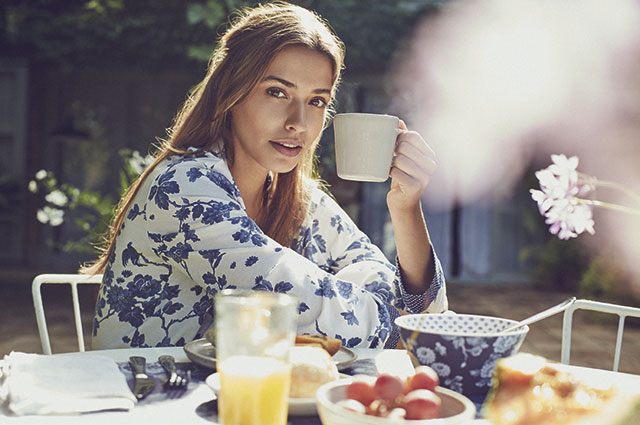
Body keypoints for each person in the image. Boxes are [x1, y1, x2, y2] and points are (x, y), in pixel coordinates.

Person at [86, 1, 447, 350]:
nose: (299, 123)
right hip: (141, 398)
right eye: (277, 92)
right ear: (232, 92)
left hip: (238, 397)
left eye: (316, 100)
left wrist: (405, 207)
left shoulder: (299, 200)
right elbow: (293, 304)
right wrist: (404, 322)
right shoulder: (184, 188)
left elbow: (428, 314)